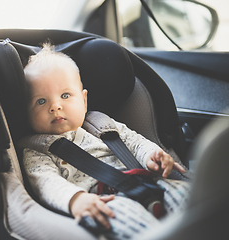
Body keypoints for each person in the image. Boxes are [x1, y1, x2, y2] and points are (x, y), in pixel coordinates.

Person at [19, 43, 191, 239]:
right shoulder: (36, 150)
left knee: (192, 198)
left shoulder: (102, 124)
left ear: (84, 101)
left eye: (65, 95)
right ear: (26, 112)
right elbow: (46, 183)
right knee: (134, 224)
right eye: (41, 101)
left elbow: (134, 142)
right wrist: (75, 200)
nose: (55, 106)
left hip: (145, 180)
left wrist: (151, 155)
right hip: (103, 200)